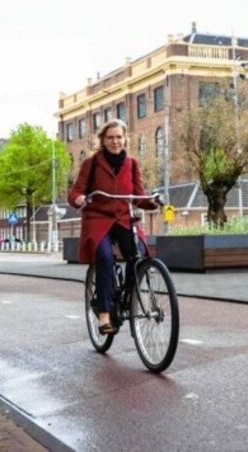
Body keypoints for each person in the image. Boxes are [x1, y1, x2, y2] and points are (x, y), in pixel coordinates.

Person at [67, 118, 161, 335]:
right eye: (110, 137)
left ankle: (127, 300)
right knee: (106, 259)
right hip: (98, 220)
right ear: (103, 140)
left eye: (119, 137)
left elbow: (137, 196)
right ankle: (104, 314)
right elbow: (74, 192)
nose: (115, 141)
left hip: (123, 218)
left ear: (125, 138)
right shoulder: (92, 163)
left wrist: (152, 201)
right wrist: (79, 199)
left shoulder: (132, 164)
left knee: (137, 258)